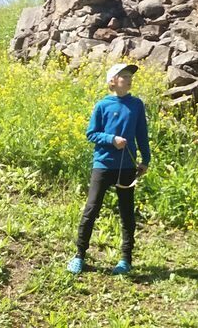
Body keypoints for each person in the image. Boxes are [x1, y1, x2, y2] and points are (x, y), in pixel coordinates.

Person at [67, 62, 150, 276]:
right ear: (112, 81)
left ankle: (125, 260)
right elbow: (91, 134)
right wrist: (111, 139)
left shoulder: (137, 105)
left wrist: (145, 160)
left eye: (130, 75)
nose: (129, 79)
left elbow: (142, 134)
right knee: (91, 209)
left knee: (126, 213)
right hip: (103, 164)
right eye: (124, 75)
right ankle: (79, 255)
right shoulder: (102, 106)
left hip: (127, 166)